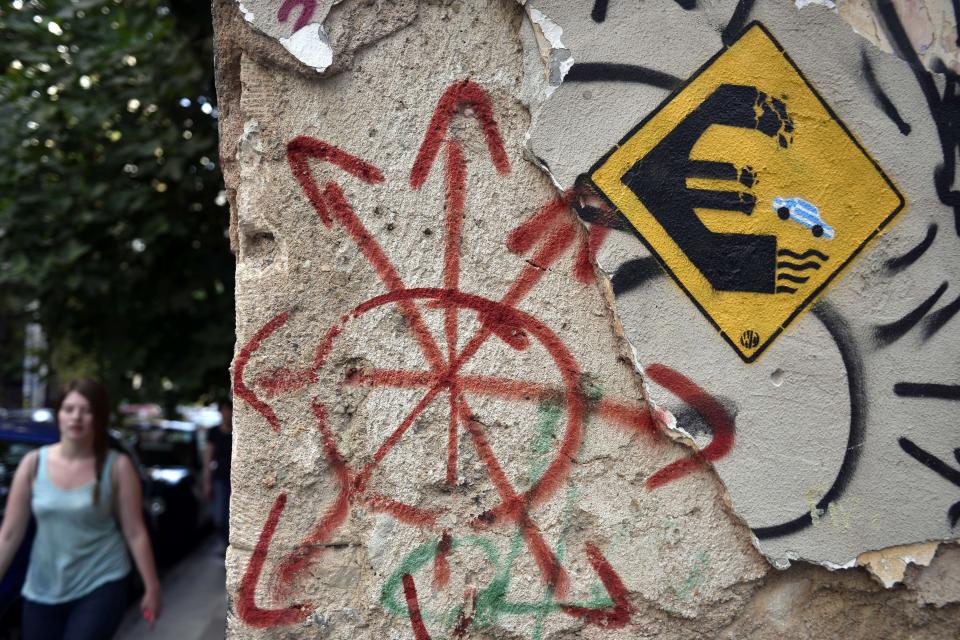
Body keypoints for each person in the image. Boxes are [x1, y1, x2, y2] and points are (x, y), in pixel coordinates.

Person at [0, 379, 162, 639]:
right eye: (69, 409)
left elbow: (135, 532)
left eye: (86, 410)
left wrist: (151, 587)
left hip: (100, 581)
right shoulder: (32, 464)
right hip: (42, 587)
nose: (76, 417)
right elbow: (9, 534)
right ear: (59, 414)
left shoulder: (118, 467)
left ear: (98, 417)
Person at [203, 398, 232, 549]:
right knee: (219, 517)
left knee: (231, 516)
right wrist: (207, 483)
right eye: (224, 410)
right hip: (220, 479)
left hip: (235, 481)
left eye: (229, 410)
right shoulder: (214, 432)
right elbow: (207, 459)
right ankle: (225, 543)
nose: (227, 414)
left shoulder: (237, 432)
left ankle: (229, 545)